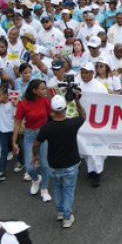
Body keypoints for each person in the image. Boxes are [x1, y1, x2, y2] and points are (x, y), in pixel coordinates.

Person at [34, 94, 86, 228]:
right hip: (71, 163)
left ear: (52, 110)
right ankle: (67, 217)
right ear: (65, 108)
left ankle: (60, 212)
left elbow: (36, 144)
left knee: (57, 188)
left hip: (54, 164)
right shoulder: (72, 124)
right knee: (68, 189)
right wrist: (77, 100)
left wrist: (35, 156)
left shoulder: (47, 127)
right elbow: (83, 116)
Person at [14, 79, 53, 202]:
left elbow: (52, 116)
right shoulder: (23, 104)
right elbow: (17, 124)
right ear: (34, 91)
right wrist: (14, 142)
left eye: (45, 88)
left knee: (45, 164)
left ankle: (44, 189)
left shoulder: (45, 101)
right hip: (30, 136)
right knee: (29, 167)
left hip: (43, 135)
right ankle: (36, 180)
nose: (45, 91)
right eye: (42, 89)